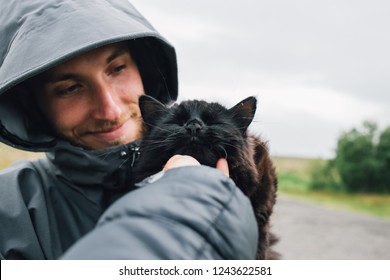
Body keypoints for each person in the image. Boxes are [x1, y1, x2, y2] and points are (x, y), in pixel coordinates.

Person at [0, 0, 258, 259]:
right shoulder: (10, 204)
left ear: (144, 67)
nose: (110, 110)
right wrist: (195, 198)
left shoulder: (240, 177)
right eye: (70, 88)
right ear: (32, 106)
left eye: (117, 69)